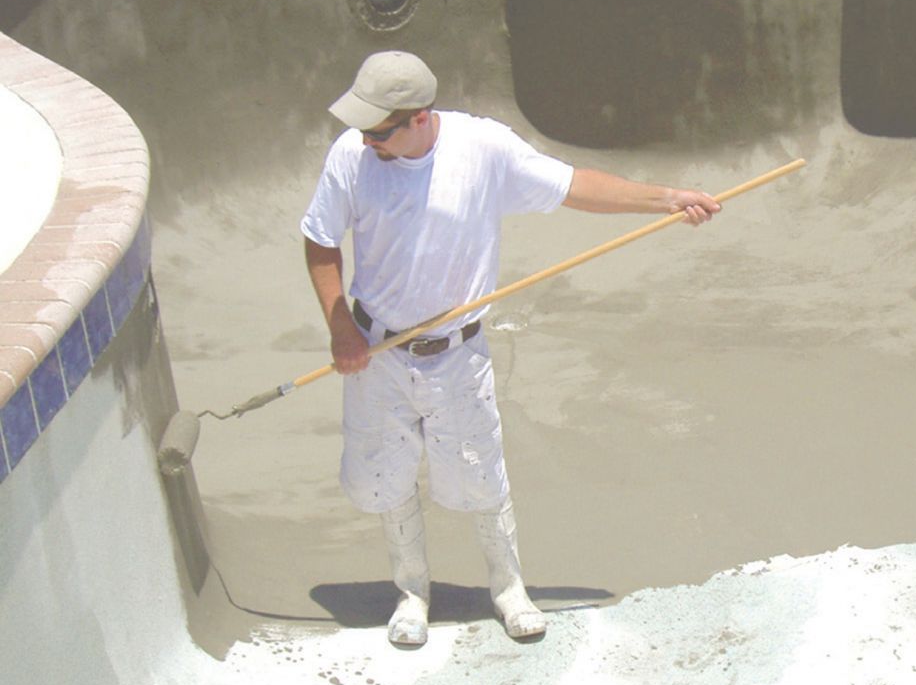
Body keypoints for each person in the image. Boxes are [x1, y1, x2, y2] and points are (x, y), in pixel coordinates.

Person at [300, 51, 720, 646]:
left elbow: (575, 186)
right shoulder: (351, 155)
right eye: (362, 127)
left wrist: (668, 199)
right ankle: (412, 590)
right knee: (384, 477)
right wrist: (340, 324)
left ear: (419, 118)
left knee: (481, 476)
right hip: (376, 350)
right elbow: (320, 240)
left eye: (378, 129)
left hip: (457, 355)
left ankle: (507, 586)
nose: (366, 139)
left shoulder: (483, 150)